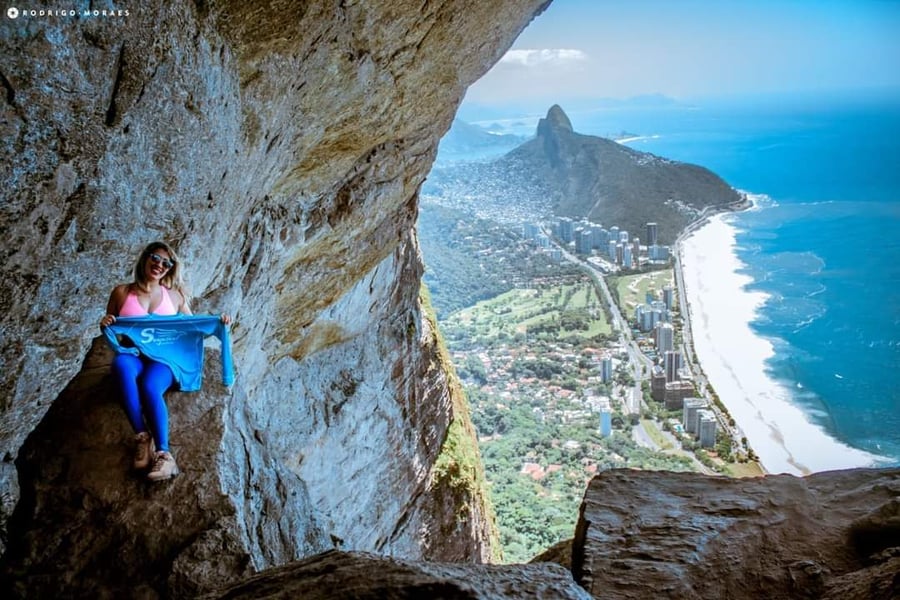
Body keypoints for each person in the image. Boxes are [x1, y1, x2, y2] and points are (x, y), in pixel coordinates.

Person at [99, 242, 231, 481]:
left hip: (165, 361)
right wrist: (106, 323)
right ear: (145, 259)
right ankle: (142, 436)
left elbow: (193, 328)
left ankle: (165, 455)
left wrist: (218, 322)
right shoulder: (121, 293)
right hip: (135, 355)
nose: (159, 265)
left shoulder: (174, 296)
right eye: (155, 258)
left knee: (150, 387)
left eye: (166, 263)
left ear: (170, 269)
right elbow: (113, 329)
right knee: (120, 366)